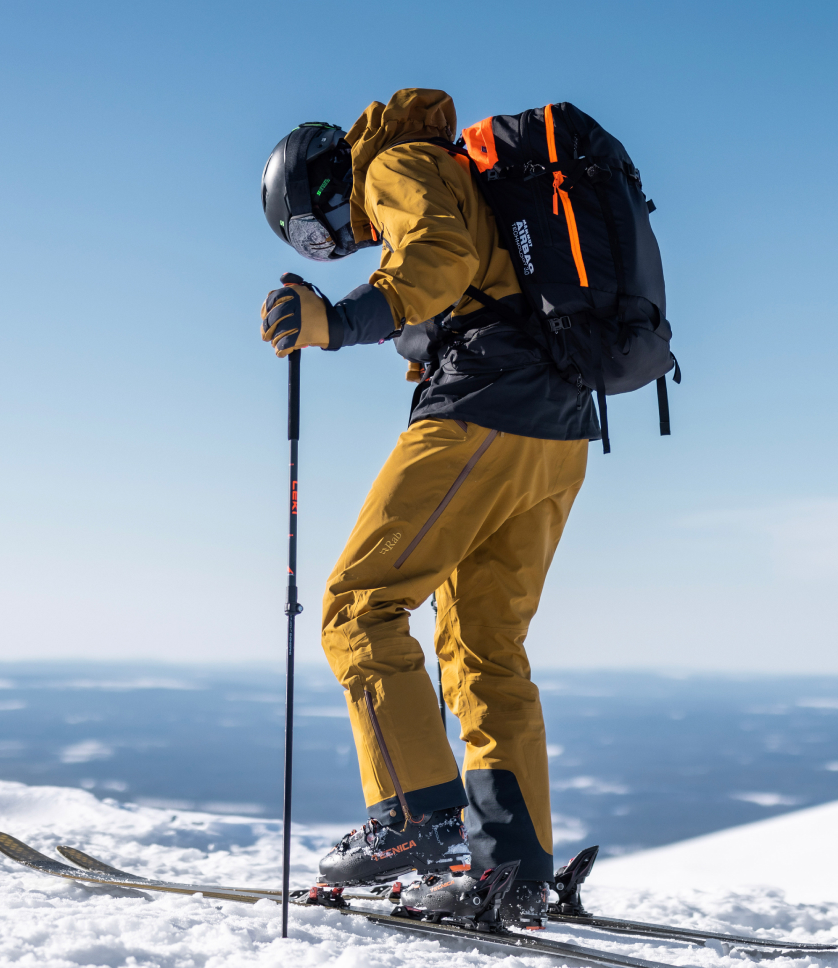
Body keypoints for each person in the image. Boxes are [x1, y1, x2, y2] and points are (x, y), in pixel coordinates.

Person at [258, 88, 599, 924]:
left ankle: (413, 817)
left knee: (358, 605)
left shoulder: (395, 163)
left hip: (482, 411)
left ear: (324, 182)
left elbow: (439, 256)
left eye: (318, 232)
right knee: (485, 649)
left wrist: (337, 322)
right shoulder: (457, 175)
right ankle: (512, 868)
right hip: (559, 433)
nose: (337, 245)